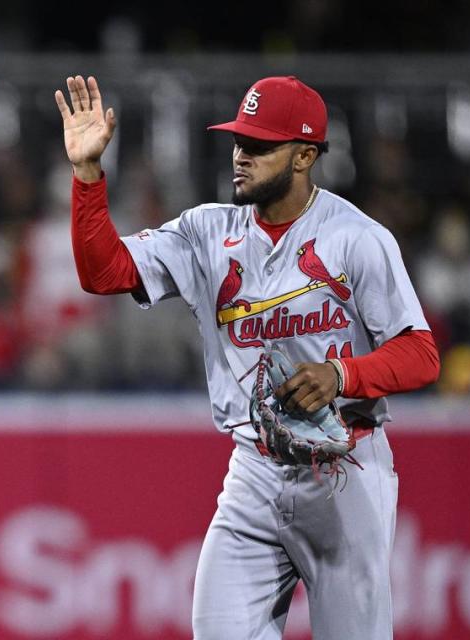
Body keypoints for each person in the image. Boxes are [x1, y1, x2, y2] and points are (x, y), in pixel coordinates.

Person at [55, 74, 440, 639]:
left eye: (260, 146)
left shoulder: (357, 238)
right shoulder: (206, 231)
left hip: (345, 471)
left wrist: (342, 374)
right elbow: (103, 272)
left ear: (305, 154)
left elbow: (422, 354)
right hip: (253, 467)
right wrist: (88, 175)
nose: (242, 156)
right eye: (239, 142)